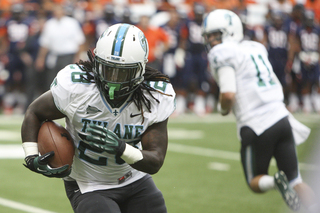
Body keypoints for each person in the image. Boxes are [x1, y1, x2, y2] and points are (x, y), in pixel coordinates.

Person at [21, 23, 175, 213]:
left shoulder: (154, 96)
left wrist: (121, 148)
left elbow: (155, 161)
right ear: (96, 63)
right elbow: (34, 112)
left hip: (134, 178)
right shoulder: (78, 88)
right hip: (88, 183)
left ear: (140, 69)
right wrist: (31, 156)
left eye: (123, 72)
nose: (114, 79)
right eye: (108, 69)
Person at [202, 9, 318, 213]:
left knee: (255, 181)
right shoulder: (254, 47)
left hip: (256, 124)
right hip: (282, 118)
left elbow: (228, 94)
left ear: (228, 32)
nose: (211, 40)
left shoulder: (223, 52)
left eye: (215, 35)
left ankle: (275, 181)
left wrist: (222, 109)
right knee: (296, 179)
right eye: (209, 36)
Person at [35, 4, 85, 92]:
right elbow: (45, 43)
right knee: (52, 80)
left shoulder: (72, 23)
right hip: (54, 56)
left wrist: (78, 57)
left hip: (68, 56)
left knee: (67, 82)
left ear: (63, 11)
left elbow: (80, 41)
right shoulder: (49, 24)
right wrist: (41, 58)